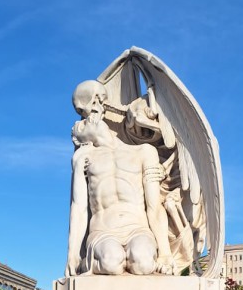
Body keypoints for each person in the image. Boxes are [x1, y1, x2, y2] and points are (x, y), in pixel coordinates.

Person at [65, 80, 176, 276]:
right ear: (79, 140)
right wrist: (73, 254)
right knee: (111, 262)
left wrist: (165, 253)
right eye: (81, 124)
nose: (87, 119)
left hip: (138, 229)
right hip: (102, 233)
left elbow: (154, 206)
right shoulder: (83, 158)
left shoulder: (144, 151)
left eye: (97, 102)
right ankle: (88, 264)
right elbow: (78, 208)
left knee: (143, 263)